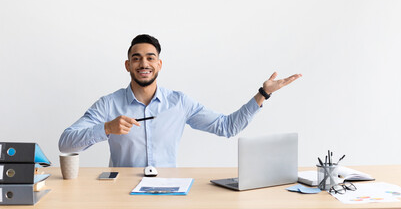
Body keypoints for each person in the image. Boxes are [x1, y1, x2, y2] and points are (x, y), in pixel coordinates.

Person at [58, 34, 302, 167]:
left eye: (150, 58)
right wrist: (106, 128)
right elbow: (66, 143)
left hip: (169, 192)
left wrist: (263, 93)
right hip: (122, 195)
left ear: (159, 64)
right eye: (137, 58)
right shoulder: (108, 104)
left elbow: (228, 127)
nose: (144, 63)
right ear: (128, 65)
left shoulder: (179, 103)